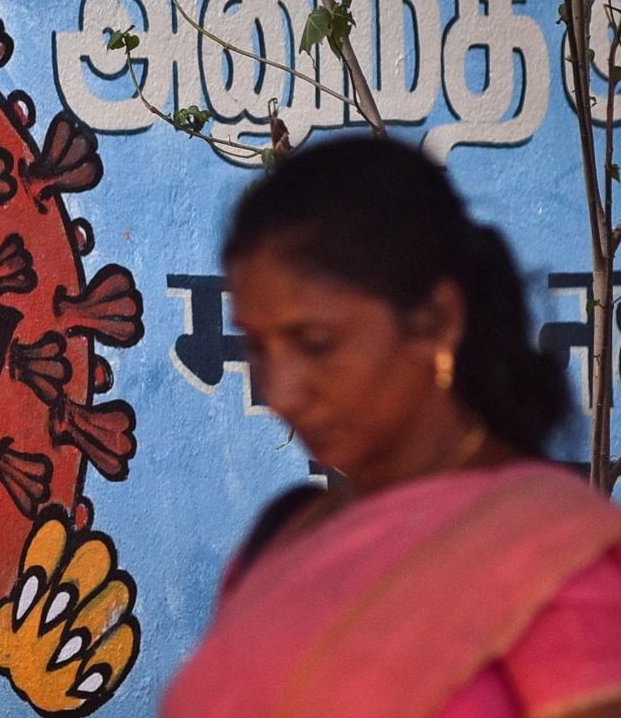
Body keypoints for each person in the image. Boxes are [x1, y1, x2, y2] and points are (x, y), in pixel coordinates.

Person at [162, 137, 621, 718]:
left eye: (317, 344)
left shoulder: (552, 556)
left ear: (436, 321)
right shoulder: (282, 537)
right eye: (256, 347)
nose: (279, 391)